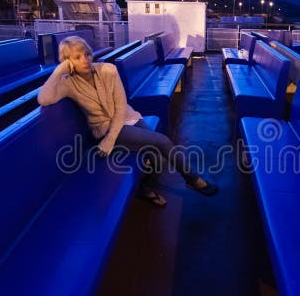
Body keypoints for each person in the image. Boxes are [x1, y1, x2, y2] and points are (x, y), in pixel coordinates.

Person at [38, 36, 217, 206]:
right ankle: (193, 180)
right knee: (162, 141)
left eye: (87, 54)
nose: (85, 59)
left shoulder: (108, 70)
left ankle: (145, 189)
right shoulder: (68, 84)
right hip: (105, 129)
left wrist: (111, 140)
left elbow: (121, 106)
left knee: (156, 155)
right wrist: (60, 69)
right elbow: (44, 98)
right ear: (68, 62)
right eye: (77, 57)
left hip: (126, 117)